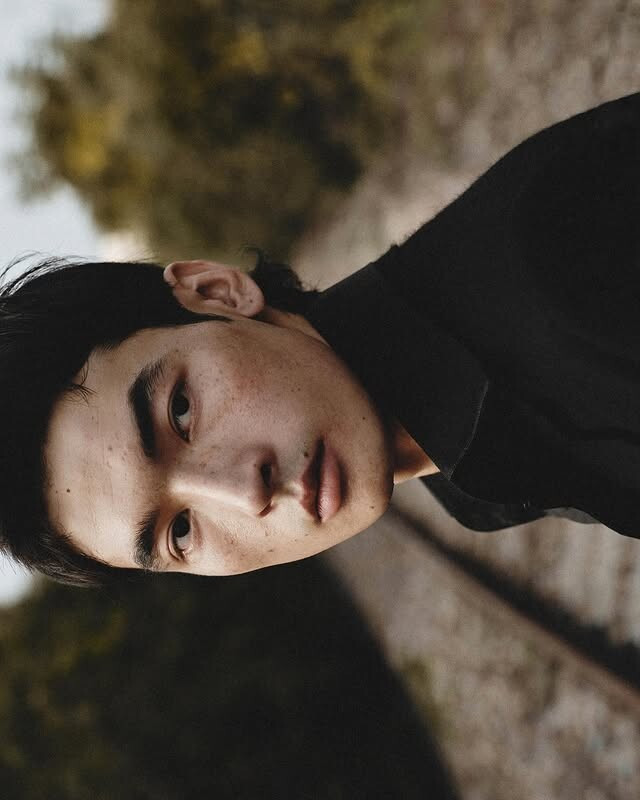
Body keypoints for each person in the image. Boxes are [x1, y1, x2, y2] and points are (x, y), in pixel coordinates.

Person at [1, 90, 639, 587]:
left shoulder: (566, 252)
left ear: (217, 293)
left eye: (181, 410)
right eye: (181, 532)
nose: (244, 493)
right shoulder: (460, 472)